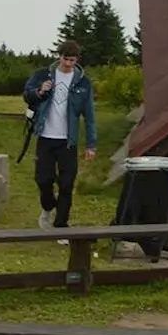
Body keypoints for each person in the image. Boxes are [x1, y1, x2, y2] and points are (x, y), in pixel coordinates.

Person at [22, 40, 97, 236]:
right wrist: (40, 91)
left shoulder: (83, 83)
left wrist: (91, 145)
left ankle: (61, 227)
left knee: (66, 183)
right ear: (59, 56)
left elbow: (90, 116)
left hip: (68, 141)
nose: (69, 64)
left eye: (72, 60)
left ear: (77, 60)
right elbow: (27, 95)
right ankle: (48, 207)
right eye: (66, 59)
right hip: (45, 137)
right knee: (43, 179)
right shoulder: (42, 75)